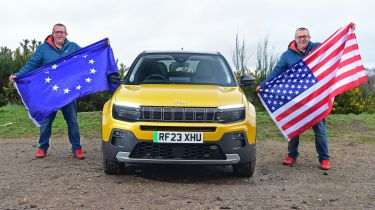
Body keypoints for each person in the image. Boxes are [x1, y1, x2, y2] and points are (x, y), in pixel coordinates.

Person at [256, 27, 334, 170]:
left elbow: (334, 45)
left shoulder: (317, 48)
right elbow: (277, 71)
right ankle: (292, 155)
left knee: (320, 129)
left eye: (305, 36)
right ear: (295, 39)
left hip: (315, 98)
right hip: (296, 98)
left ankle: (324, 159)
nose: (302, 39)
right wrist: (264, 85)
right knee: (294, 127)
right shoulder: (287, 55)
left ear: (309, 37)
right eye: (299, 37)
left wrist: (348, 29)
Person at [9, 23, 85, 159]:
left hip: (68, 93)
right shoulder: (43, 49)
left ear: (66, 34)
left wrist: (103, 47)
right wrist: (18, 75)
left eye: (62, 32)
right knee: (46, 121)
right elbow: (31, 65)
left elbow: (87, 56)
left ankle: (77, 148)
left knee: (72, 121)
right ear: (52, 34)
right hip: (50, 94)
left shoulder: (73, 47)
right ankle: (42, 148)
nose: (59, 34)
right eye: (57, 32)